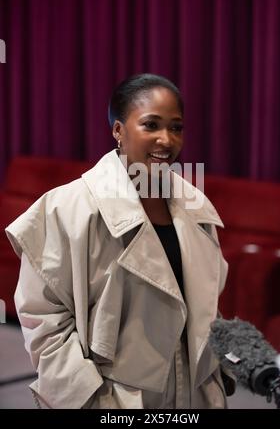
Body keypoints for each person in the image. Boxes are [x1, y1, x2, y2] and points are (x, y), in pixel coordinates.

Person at [5, 73, 235, 409]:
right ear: (118, 130)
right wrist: (90, 399)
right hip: (115, 401)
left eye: (176, 127)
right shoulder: (66, 208)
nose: (166, 140)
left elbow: (205, 305)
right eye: (151, 124)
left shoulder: (196, 207)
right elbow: (44, 322)